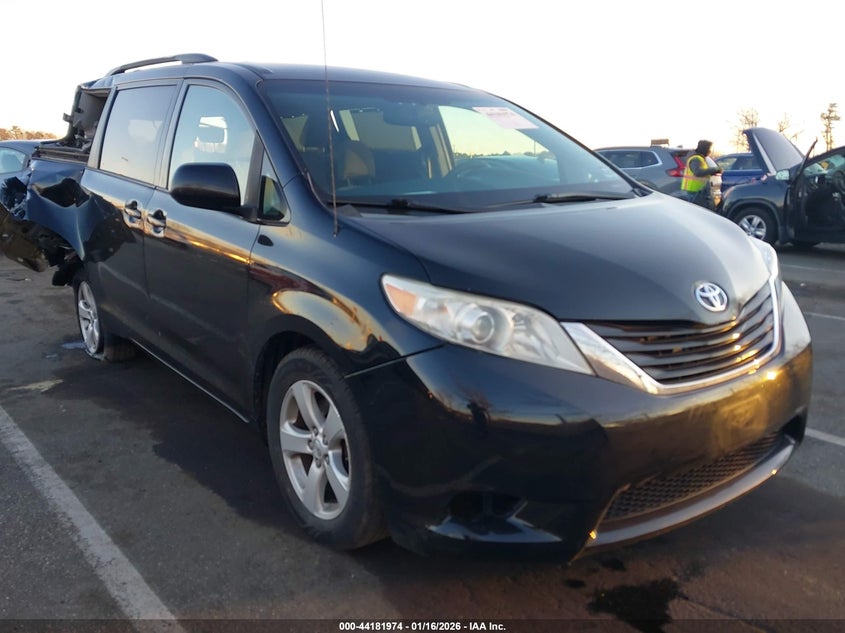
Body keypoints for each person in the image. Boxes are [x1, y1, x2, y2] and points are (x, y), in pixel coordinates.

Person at [681, 139, 722, 209]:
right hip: (694, 191)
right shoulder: (696, 159)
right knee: (696, 212)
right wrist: (714, 169)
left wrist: (712, 172)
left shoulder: (701, 158)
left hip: (700, 190)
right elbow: (698, 172)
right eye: (709, 149)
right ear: (704, 149)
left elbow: (703, 172)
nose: (710, 151)